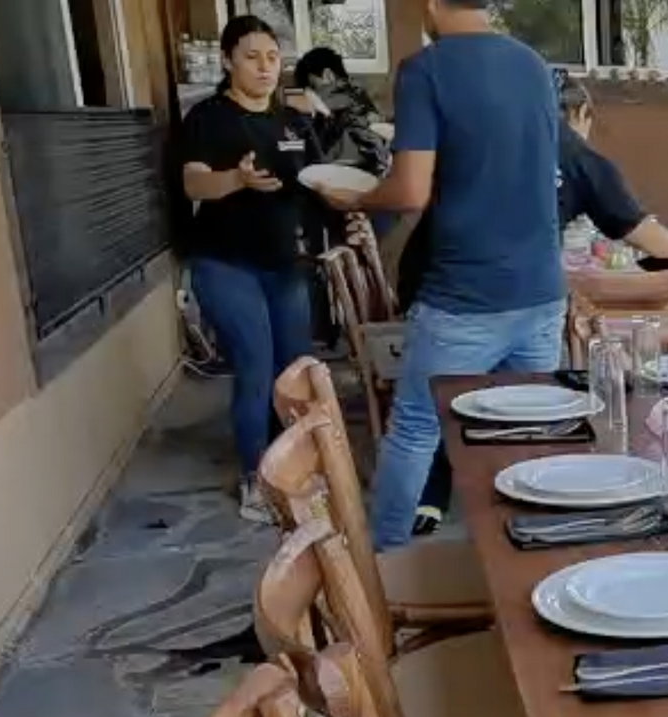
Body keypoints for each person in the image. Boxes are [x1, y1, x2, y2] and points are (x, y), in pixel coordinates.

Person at [314, 0, 566, 550]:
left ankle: (385, 565)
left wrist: (355, 198)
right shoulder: (532, 65)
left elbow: (409, 191)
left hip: (465, 294)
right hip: (542, 290)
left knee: (416, 429)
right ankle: (525, 556)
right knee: (526, 434)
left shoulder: (425, 69)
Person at [402, 70, 668, 536]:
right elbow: (648, 236)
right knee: (527, 412)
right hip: (501, 296)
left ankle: (419, 514)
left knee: (433, 411)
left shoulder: (480, 136)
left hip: (433, 281)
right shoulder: (572, 150)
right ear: (580, 113)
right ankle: (519, 510)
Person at [178, 15, 322, 523]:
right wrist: (236, 180)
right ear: (227, 61)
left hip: (284, 264)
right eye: (251, 57)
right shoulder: (208, 118)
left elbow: (318, 181)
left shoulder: (293, 121)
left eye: (272, 58)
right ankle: (257, 480)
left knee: (295, 370)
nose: (264, 67)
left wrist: (350, 208)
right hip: (225, 263)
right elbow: (194, 183)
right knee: (256, 365)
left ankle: (295, 469)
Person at [291, 46, 389, 177]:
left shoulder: (338, 93)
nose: (312, 92)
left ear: (328, 75)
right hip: (378, 168)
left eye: (314, 86)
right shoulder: (358, 92)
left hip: (352, 171)